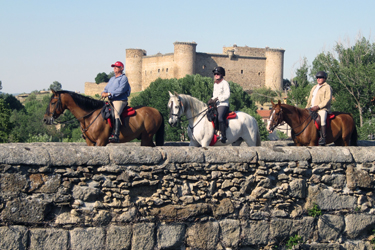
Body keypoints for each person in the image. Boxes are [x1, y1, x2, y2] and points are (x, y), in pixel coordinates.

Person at [101, 61, 131, 143]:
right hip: (111, 100)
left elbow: (121, 90)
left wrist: (109, 94)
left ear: (122, 68)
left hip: (120, 100)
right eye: (114, 67)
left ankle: (116, 135)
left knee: (116, 113)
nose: (115, 68)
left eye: (117, 67)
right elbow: (106, 89)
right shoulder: (112, 79)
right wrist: (103, 93)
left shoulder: (124, 78)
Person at [305, 71, 332, 146]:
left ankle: (323, 138)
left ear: (324, 78)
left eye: (320, 77)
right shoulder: (314, 87)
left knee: (322, 119)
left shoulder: (327, 87)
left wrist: (318, 106)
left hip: (322, 109)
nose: (318, 79)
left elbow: (327, 99)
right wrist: (306, 108)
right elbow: (310, 98)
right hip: (311, 108)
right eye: (317, 77)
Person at [208, 66, 230, 143]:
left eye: (217, 73)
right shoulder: (215, 84)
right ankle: (214, 132)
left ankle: (223, 136)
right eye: (215, 74)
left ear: (221, 74)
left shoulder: (225, 83)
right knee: (210, 115)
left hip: (223, 104)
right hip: (216, 104)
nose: (216, 75)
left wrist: (218, 98)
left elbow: (227, 95)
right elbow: (214, 95)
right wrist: (212, 99)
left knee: (220, 117)